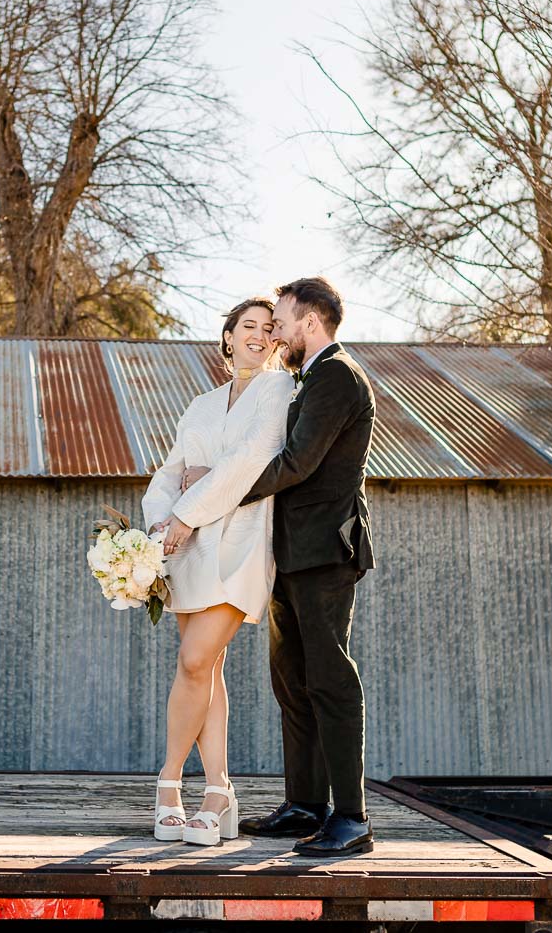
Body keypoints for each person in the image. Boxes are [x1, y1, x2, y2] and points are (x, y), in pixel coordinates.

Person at [179, 276, 377, 857]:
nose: (277, 331)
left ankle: (352, 818)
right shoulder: (306, 379)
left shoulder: (338, 376)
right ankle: (305, 805)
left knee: (330, 677)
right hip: (288, 552)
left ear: (308, 322)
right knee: (292, 679)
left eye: (283, 320)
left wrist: (214, 491)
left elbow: (295, 462)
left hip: (324, 551)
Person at [140, 297, 293, 845]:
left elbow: (250, 461)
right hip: (189, 549)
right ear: (227, 337)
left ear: (277, 341)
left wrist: (188, 507)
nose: (258, 334)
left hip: (243, 545)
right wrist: (159, 528)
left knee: (195, 657)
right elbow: (172, 472)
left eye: (268, 328)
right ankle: (219, 791)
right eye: (247, 326)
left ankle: (168, 783)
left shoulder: (280, 391)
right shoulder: (200, 405)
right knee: (205, 671)